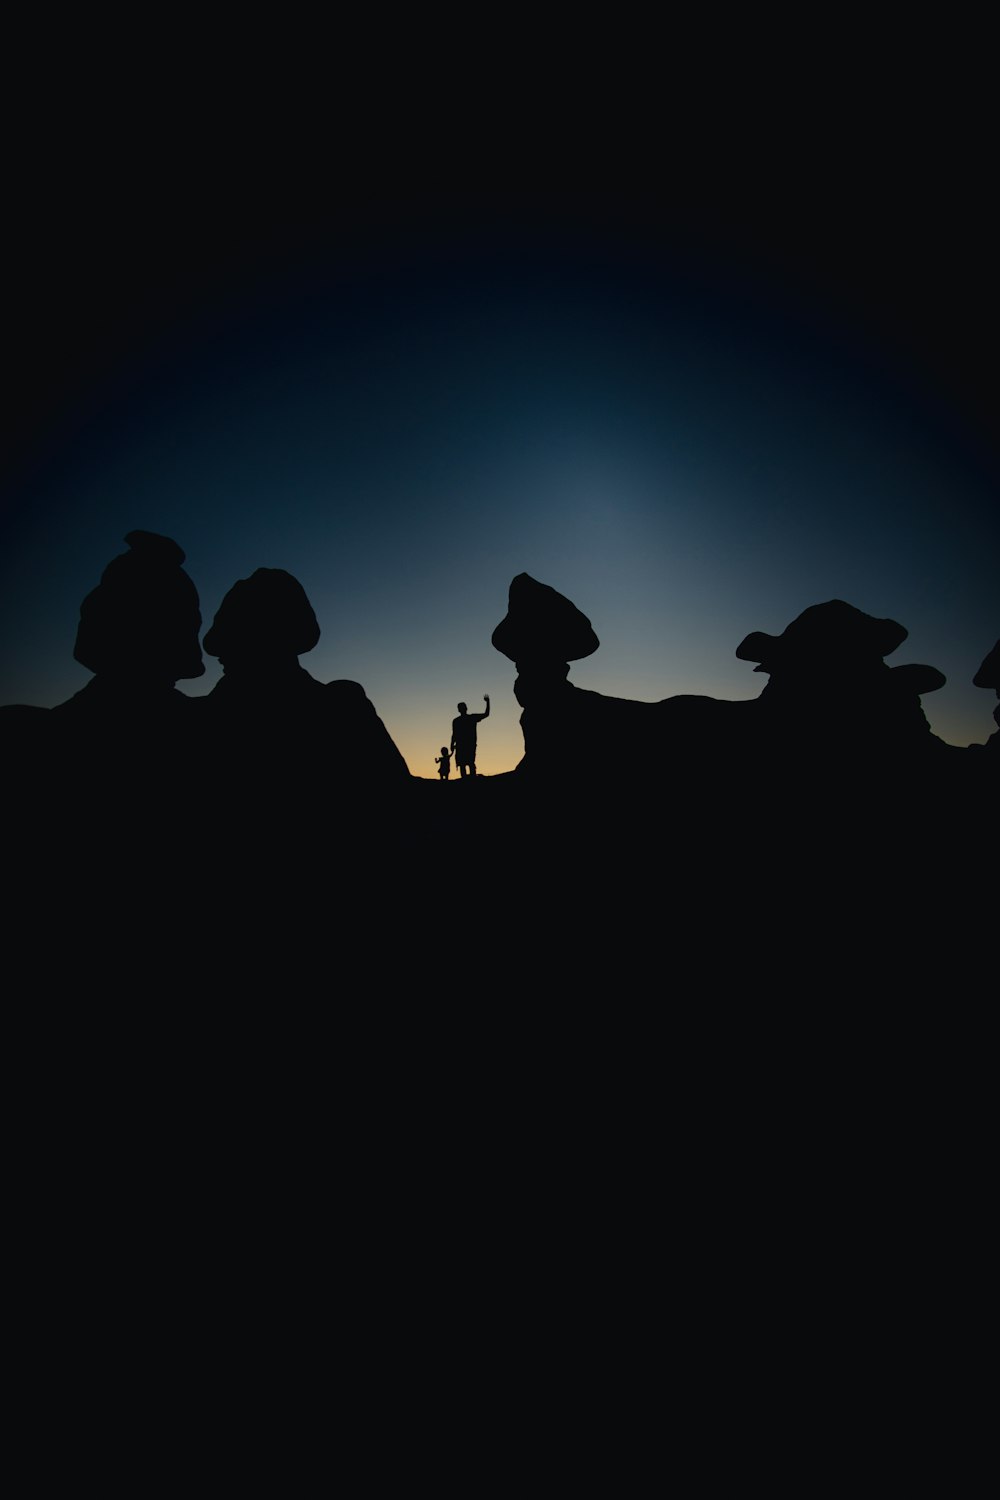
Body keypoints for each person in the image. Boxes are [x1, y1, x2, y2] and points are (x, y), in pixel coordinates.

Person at [450, 695, 489, 778]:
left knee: (465, 764)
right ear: (466, 708)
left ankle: (468, 779)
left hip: (466, 745)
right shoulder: (469, 718)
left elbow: (454, 734)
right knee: (467, 763)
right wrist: (488, 702)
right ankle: (470, 779)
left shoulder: (458, 720)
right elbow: (454, 734)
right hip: (466, 745)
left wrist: (452, 744)